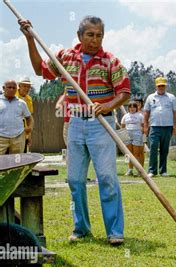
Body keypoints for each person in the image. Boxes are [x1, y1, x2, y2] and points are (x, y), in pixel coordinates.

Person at [19, 16, 131, 245]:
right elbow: (41, 71)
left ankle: (115, 231)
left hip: (102, 124)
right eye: (90, 34)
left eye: (99, 35)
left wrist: (108, 106)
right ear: (80, 36)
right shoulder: (65, 58)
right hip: (76, 124)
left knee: (107, 177)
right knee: (75, 179)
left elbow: (125, 92)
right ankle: (81, 228)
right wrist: (30, 38)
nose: (95, 39)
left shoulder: (111, 61)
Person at [143, 77, 176, 177]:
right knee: (153, 147)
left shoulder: (171, 97)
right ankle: (152, 171)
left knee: (165, 149)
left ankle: (163, 171)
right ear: (156, 86)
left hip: (168, 127)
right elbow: (146, 112)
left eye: (163, 85)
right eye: (159, 85)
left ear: (166, 86)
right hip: (154, 127)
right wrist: (145, 126)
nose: (161, 87)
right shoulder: (150, 97)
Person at [0, 80, 32, 155]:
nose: (11, 89)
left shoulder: (22, 103)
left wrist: (29, 127)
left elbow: (29, 118)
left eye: (14, 88)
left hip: (18, 137)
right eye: (9, 87)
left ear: (16, 89)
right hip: (1, 137)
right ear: (3, 88)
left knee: (16, 161)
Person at [121, 102, 144, 176]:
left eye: (134, 107)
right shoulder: (125, 116)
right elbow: (123, 125)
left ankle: (140, 170)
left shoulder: (140, 115)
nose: (132, 108)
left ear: (136, 108)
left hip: (137, 134)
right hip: (128, 134)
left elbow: (143, 125)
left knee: (136, 153)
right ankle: (130, 169)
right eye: (130, 107)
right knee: (129, 154)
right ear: (128, 108)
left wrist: (143, 135)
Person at [16, 77, 34, 152]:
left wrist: (29, 136)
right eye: (24, 86)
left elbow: (29, 119)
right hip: (12, 132)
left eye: (28, 87)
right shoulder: (12, 97)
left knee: (23, 155)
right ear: (19, 86)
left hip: (24, 133)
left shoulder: (29, 100)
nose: (26, 88)